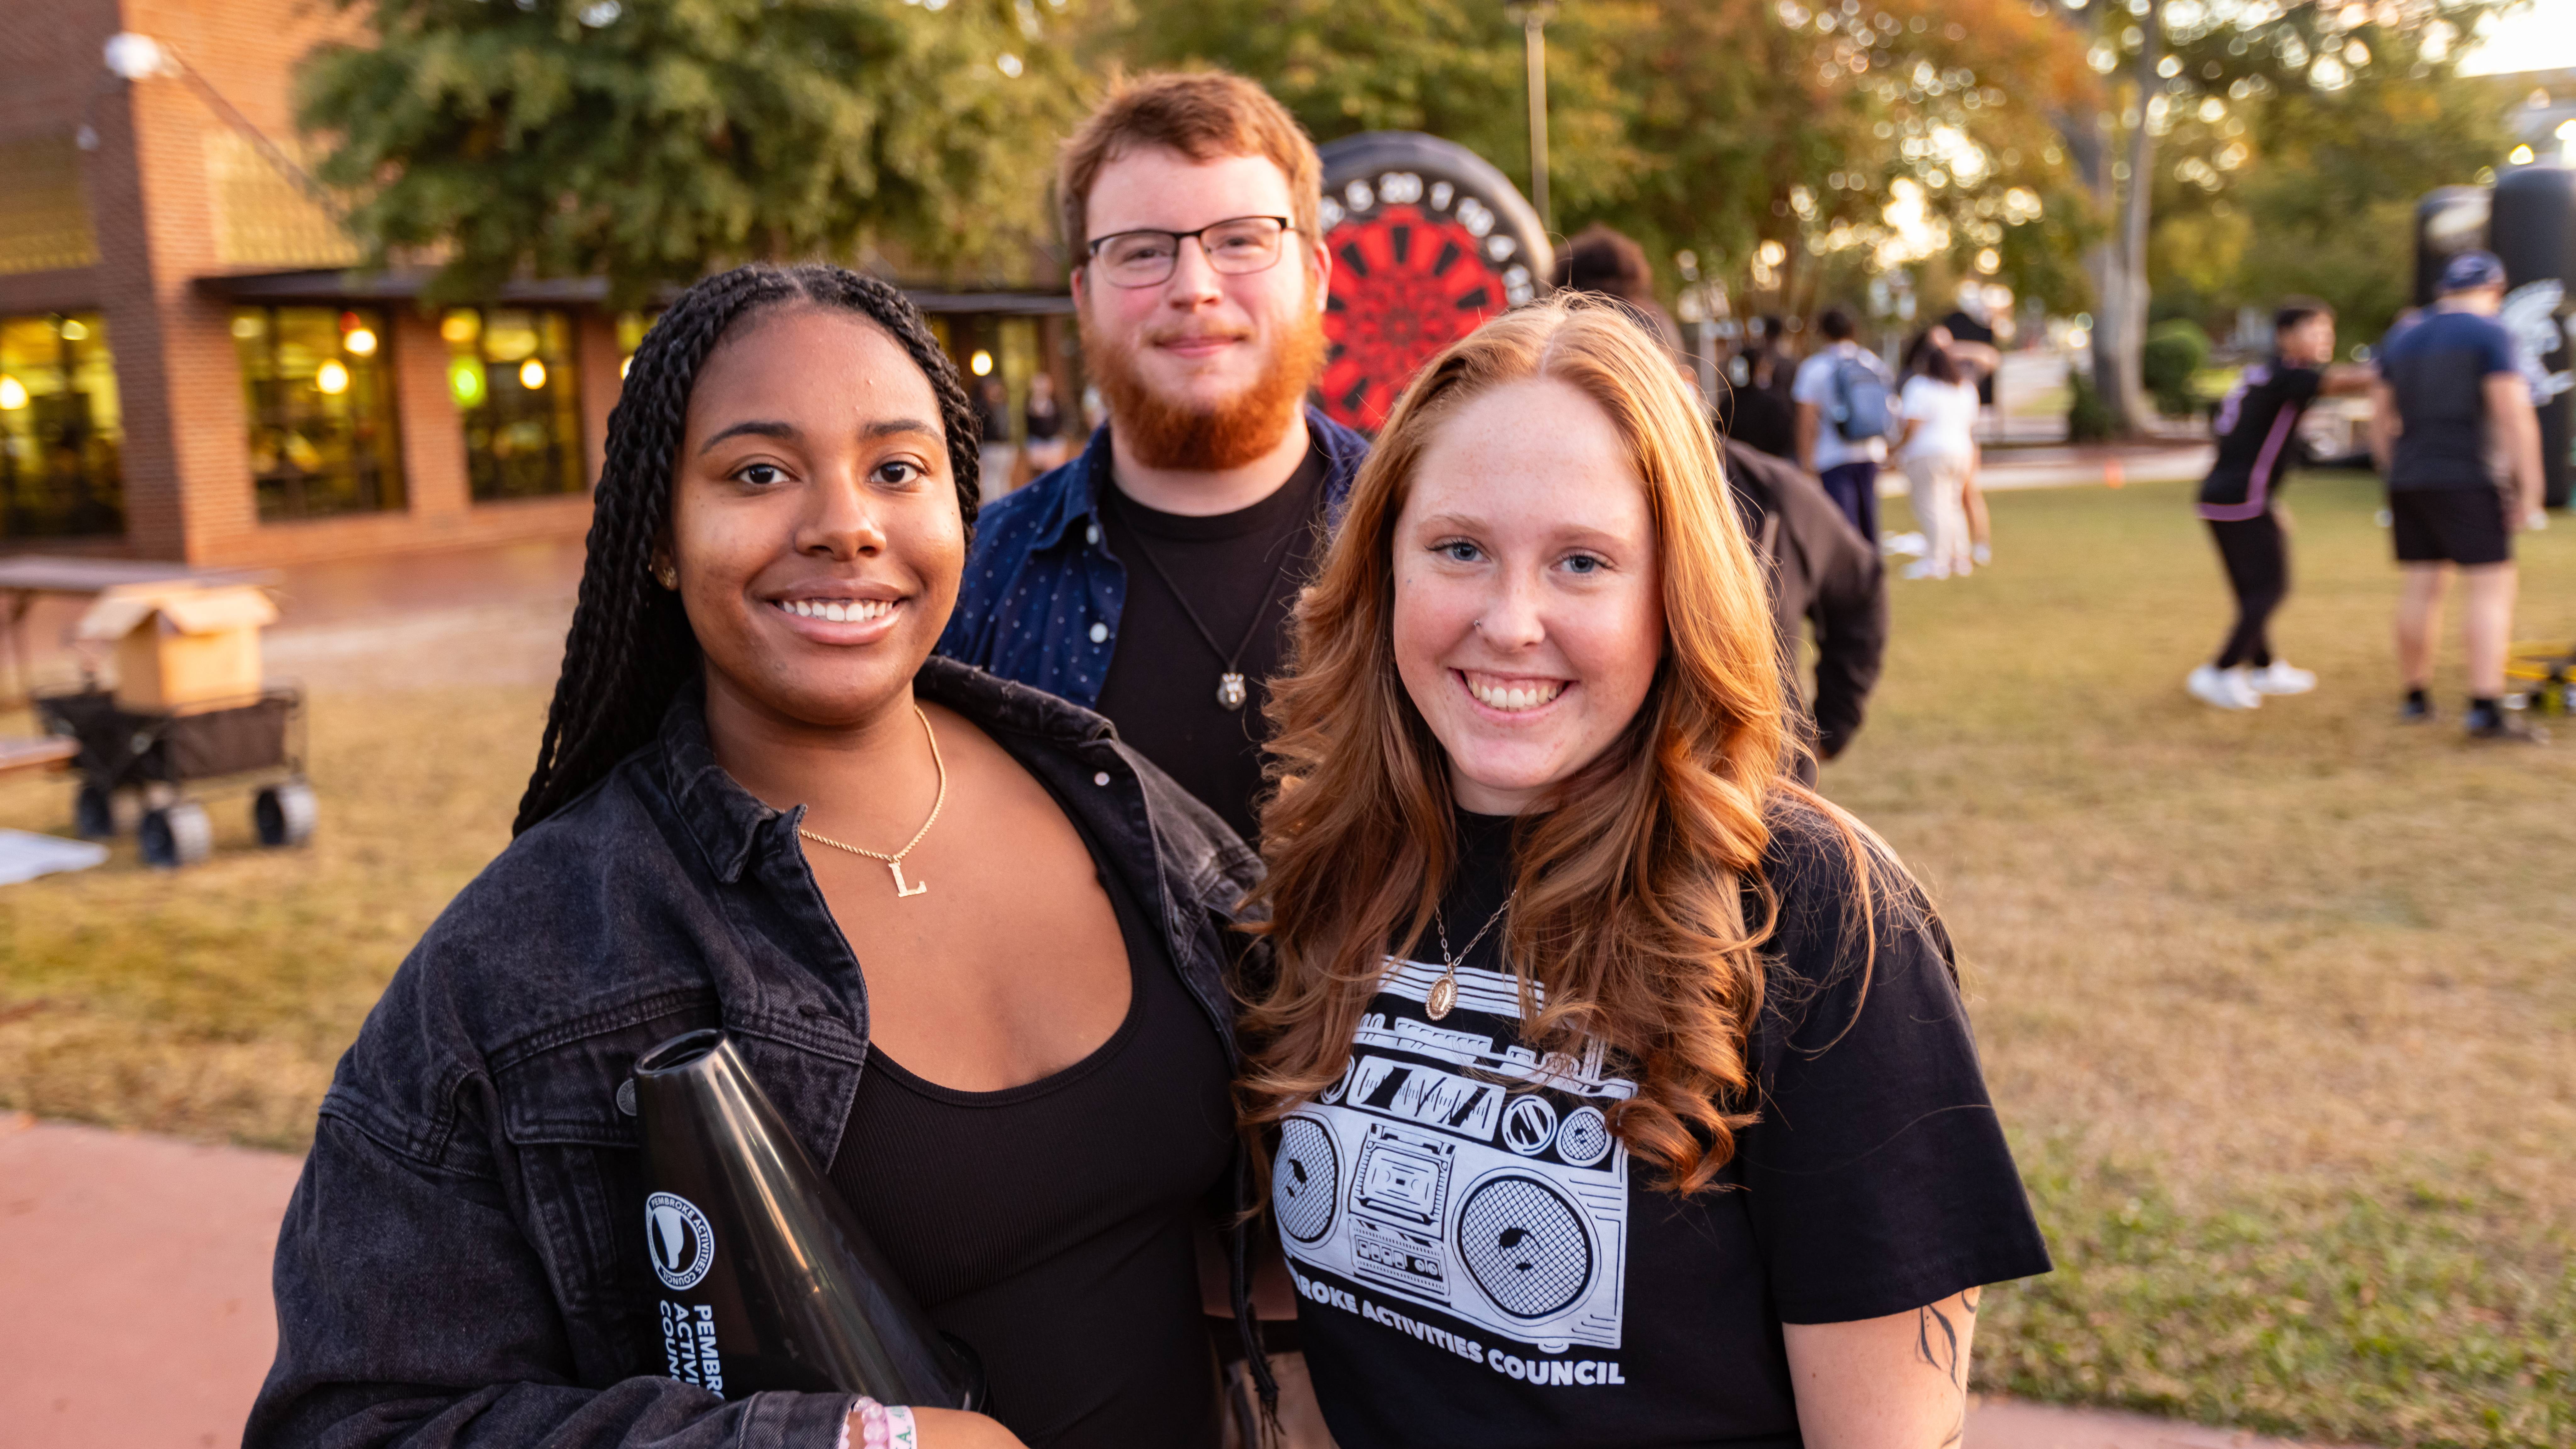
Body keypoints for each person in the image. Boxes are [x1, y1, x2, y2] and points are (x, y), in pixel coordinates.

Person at [246, 265, 1269, 1449]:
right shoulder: (527, 965)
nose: (845, 521)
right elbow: (351, 1422)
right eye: (758, 473)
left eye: (897, 468)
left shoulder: (1102, 791)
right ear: (662, 540)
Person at [1240, 297, 2050, 1448]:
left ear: (1671, 592)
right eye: (1459, 548)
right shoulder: (1325, 870)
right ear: (1380, 568)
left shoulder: (1811, 910)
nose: (1511, 621)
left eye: (1582, 561)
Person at [939, 70, 1369, 845]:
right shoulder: (975, 580)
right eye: (1143, 253)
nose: (1195, 287)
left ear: (1314, 276)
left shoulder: (1419, 541)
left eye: (1240, 240)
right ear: (1083, 295)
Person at [2370, 249, 2549, 740]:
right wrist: (2530, 490)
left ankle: (2415, 698)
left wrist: (2397, 469)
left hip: (2409, 478)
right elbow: (2512, 413)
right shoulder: (2490, 333)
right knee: (2491, 586)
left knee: (2421, 586)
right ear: (2494, 290)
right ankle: (2485, 708)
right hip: (2467, 476)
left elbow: (2379, 419)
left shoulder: (2402, 335)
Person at [2186, 297, 2375, 711]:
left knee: (2251, 590)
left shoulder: (2267, 375)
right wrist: (2404, 360)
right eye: (2314, 330)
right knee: (2271, 587)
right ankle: (2219, 671)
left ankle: (2265, 667)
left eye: (2328, 330)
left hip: (2231, 494)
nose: (2324, 338)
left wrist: (2267, 500)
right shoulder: (2289, 375)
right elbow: (2348, 380)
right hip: (2239, 497)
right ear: (2285, 337)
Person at [1793, 306, 1895, 542]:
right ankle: (1873, 572)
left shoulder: (1815, 368)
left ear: (1823, 333)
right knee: (1870, 522)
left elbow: (1807, 420)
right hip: (1870, 451)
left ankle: (1852, 576)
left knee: (1843, 526)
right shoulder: (1872, 363)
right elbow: (1887, 408)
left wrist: (1806, 462)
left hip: (1833, 455)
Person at [1895, 341, 1982, 580]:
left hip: (1928, 453)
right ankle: (1960, 557)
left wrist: (1897, 448)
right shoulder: (1966, 389)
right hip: (1961, 452)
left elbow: (1912, 425)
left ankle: (1937, 561)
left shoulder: (1920, 387)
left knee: (1932, 507)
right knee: (1952, 505)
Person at [1023, 371, 1070, 475]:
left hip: (1053, 444)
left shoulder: (1055, 403)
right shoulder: (1030, 404)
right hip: (1037, 443)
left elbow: (1060, 423)